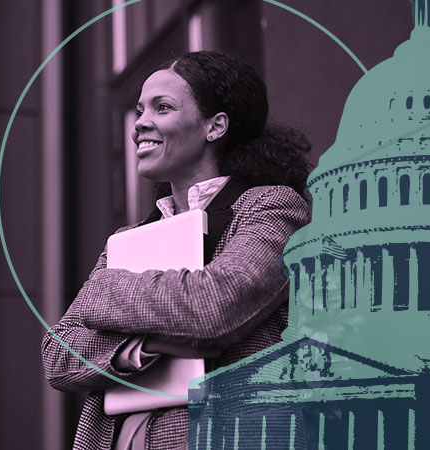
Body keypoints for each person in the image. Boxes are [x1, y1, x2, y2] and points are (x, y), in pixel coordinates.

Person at [41, 50, 312, 450]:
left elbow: (216, 304)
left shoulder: (270, 206)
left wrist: (106, 289)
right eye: (139, 109)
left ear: (215, 126)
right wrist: (146, 346)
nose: (141, 123)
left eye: (162, 108)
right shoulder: (128, 237)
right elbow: (57, 356)